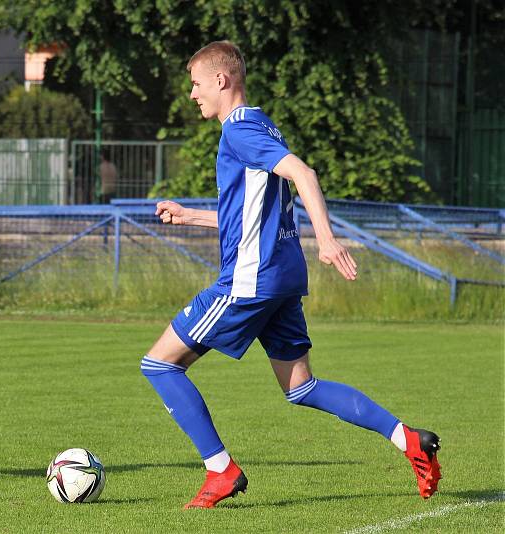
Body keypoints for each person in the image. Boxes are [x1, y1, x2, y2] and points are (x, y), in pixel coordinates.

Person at [142, 41, 441, 509]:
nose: (193, 94)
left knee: (159, 364)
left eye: (196, 84)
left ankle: (220, 470)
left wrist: (326, 239)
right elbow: (254, 217)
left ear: (221, 81)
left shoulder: (238, 130)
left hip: (251, 279)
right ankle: (407, 439)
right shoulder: (262, 124)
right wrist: (192, 216)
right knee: (301, 386)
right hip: (281, 276)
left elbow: (305, 174)